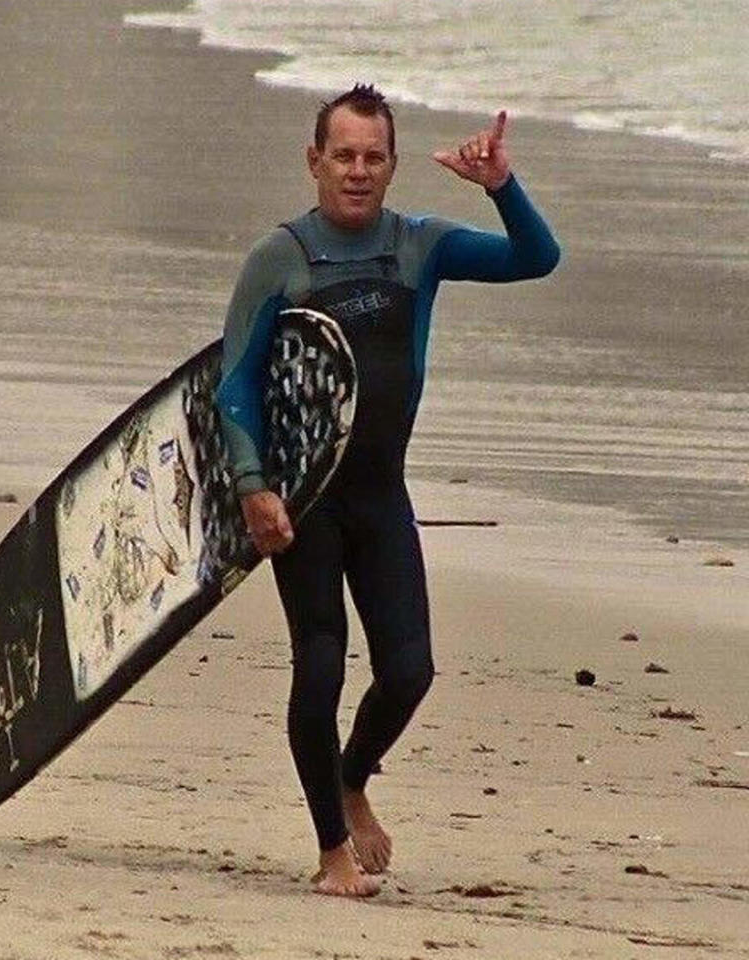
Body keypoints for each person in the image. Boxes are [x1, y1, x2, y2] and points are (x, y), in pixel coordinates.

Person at [216, 84, 560, 898]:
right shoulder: (280, 257)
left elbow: (536, 259)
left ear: (393, 164)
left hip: (381, 496)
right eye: (344, 156)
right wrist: (252, 485)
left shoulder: (421, 246)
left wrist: (501, 185)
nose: (359, 172)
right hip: (305, 503)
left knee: (410, 669)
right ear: (315, 161)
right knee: (322, 664)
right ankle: (332, 851)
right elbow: (235, 382)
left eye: (374, 157)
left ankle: (351, 774)